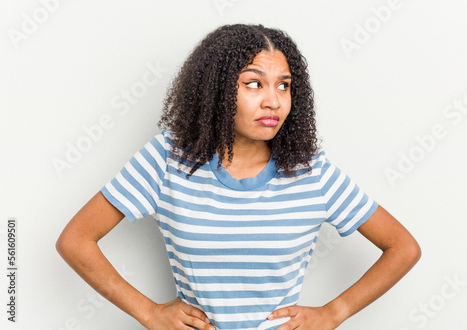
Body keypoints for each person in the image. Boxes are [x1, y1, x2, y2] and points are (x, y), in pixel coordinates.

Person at [56, 24, 421, 330]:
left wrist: (334, 313)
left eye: (284, 85)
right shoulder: (167, 158)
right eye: (253, 83)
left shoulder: (311, 171)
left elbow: (403, 248)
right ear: (216, 90)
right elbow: (76, 240)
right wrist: (149, 312)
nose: (273, 101)